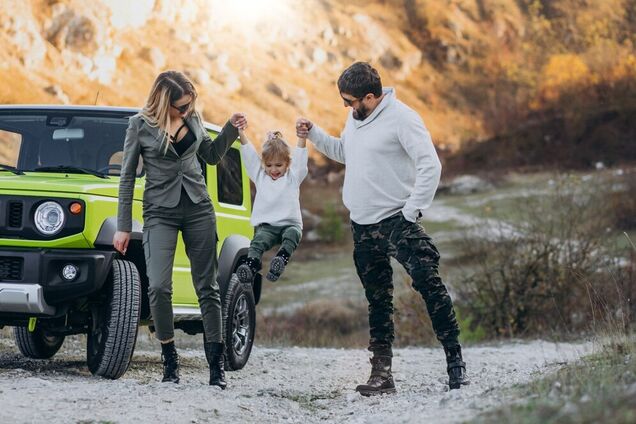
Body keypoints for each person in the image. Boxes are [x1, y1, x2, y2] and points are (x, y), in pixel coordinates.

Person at [296, 62, 468, 395]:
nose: (346, 107)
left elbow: (430, 164)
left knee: (430, 286)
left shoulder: (403, 118)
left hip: (396, 222)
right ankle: (382, 375)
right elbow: (348, 152)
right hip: (361, 225)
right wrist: (314, 133)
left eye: (350, 101)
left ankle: (455, 365)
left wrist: (412, 211)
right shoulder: (356, 118)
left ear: (371, 96)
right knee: (378, 301)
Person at [113, 70, 247, 388]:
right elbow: (127, 177)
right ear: (164, 102)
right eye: (181, 107)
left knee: (208, 288)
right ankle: (169, 358)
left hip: (198, 207)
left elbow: (212, 156)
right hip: (159, 212)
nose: (186, 111)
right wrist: (122, 226)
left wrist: (231, 128)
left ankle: (216, 366)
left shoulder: (194, 118)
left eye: (189, 105)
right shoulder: (140, 125)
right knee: (159, 286)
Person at [235, 129, 308, 283]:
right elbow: (249, 156)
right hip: (267, 227)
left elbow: (301, 160)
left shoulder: (293, 178)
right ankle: (251, 265)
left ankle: (281, 259)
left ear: (288, 163)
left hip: (289, 224)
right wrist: (241, 132)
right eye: (269, 165)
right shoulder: (260, 176)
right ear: (263, 164)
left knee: (293, 234)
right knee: (257, 242)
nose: (273, 170)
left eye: (279, 165)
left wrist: (302, 138)